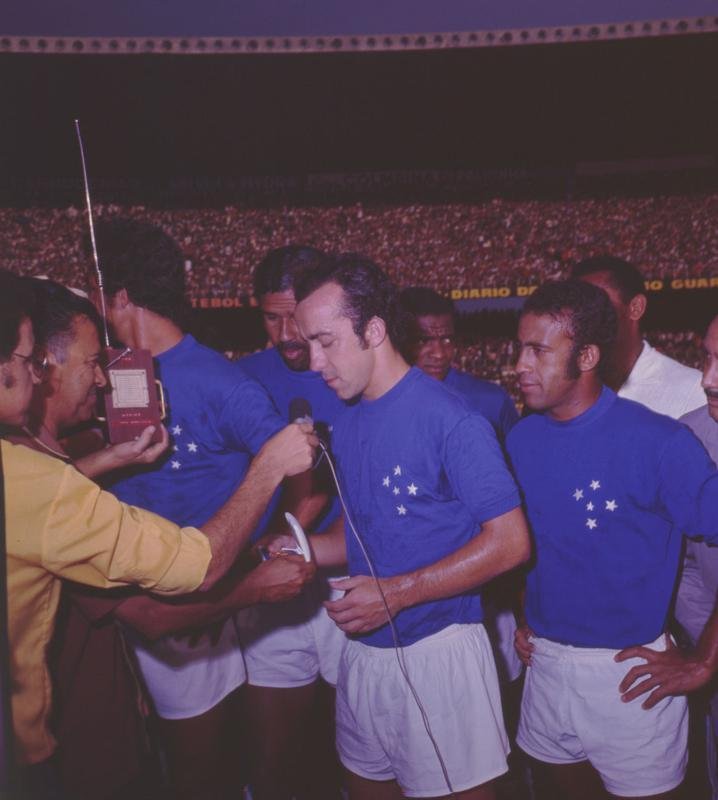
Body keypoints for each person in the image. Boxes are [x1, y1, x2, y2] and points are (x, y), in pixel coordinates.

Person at [0, 269, 316, 797]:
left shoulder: (33, 470)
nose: (102, 380)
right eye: (91, 363)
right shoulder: (44, 486)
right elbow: (193, 571)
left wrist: (109, 458)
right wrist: (268, 468)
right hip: (64, 748)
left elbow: (37, 501)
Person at [88, 220, 315, 800]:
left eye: (93, 289)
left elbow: (300, 468)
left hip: (199, 602)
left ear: (119, 296)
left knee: (204, 769)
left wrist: (275, 539)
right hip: (127, 594)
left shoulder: (221, 382)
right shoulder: (102, 374)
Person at [290, 254, 531, 800]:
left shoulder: (453, 419)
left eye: (325, 341)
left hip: (437, 652)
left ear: (374, 330)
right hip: (362, 650)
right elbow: (363, 535)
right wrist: (299, 547)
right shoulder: (347, 419)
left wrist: (397, 594)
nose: (314, 361)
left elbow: (511, 542)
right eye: (309, 344)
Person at [508, 279, 718, 799]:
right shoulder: (520, 437)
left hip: (630, 674)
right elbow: (526, 541)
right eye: (519, 348)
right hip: (545, 665)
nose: (520, 365)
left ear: (586, 356)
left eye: (538, 350)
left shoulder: (661, 442)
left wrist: (706, 658)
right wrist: (523, 612)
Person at [237, 245, 347, 800]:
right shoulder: (242, 379)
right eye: (270, 318)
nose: (285, 334)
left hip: (348, 577)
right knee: (275, 750)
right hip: (268, 576)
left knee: (361, 748)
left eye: (294, 319)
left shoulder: (351, 371)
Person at [398, 286, 522, 689]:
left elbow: (518, 486)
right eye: (424, 339)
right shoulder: (380, 400)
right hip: (409, 576)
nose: (439, 352)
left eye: (448, 339)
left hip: (485, 576)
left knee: (492, 689)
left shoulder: (488, 400)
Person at [616, 314, 718, 799]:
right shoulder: (688, 438)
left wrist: (706, 658)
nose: (708, 379)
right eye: (707, 357)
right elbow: (686, 566)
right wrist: (701, 647)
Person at [572, 255, 704, 417]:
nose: (584, 318)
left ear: (635, 307)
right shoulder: (564, 391)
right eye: (577, 309)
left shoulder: (692, 392)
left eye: (597, 305)